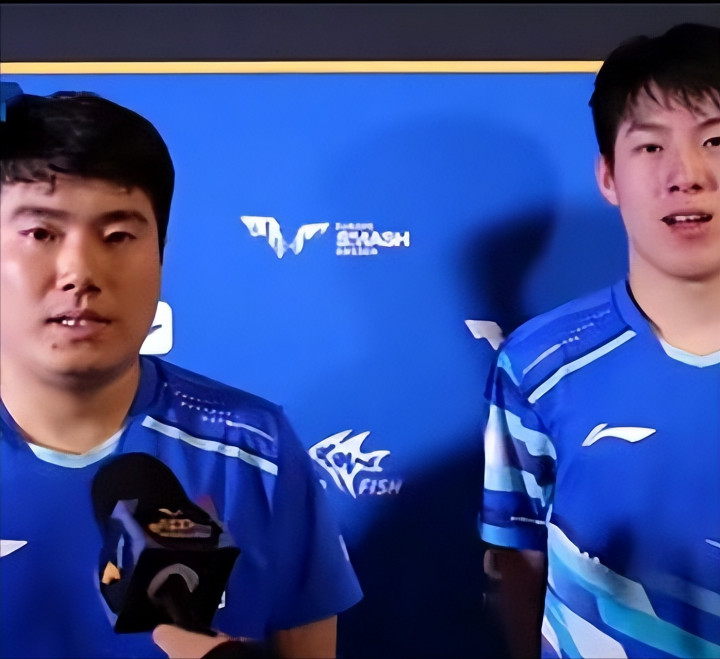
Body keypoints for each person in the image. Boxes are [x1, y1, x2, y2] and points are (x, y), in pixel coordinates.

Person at [0, 87, 362, 659]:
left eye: (118, 236)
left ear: (161, 252)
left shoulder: (255, 451)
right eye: (42, 234)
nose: (80, 272)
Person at [479, 22, 720, 659]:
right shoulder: (537, 364)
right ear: (608, 176)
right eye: (651, 147)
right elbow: (520, 565)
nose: (687, 174)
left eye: (716, 140)